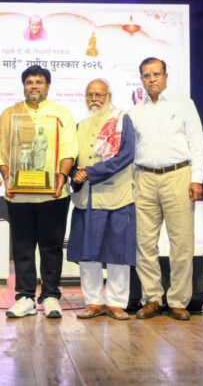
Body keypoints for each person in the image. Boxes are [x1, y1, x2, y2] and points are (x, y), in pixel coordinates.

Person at [0, 65, 78, 319]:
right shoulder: (10, 114)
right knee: (23, 247)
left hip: (53, 193)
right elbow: (0, 150)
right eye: (29, 82)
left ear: (47, 86)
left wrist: (61, 176)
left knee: (51, 246)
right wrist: (7, 176)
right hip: (19, 194)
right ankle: (25, 297)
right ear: (24, 86)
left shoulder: (61, 113)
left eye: (39, 82)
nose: (34, 86)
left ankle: (50, 296)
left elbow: (69, 149)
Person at [128, 57, 203, 321]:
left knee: (181, 243)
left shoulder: (183, 104)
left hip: (178, 176)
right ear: (141, 79)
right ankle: (152, 298)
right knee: (144, 243)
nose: (151, 79)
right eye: (146, 75)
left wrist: (197, 178)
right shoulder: (135, 111)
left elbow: (197, 142)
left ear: (166, 76)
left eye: (156, 74)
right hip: (144, 178)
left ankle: (177, 300)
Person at [68, 79, 136, 321]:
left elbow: (127, 155)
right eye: (90, 95)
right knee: (87, 254)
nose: (94, 99)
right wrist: (75, 175)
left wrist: (92, 172)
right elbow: (71, 158)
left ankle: (117, 303)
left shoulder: (121, 120)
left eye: (99, 94)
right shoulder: (80, 125)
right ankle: (93, 302)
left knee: (118, 252)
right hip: (86, 199)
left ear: (109, 96)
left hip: (116, 197)